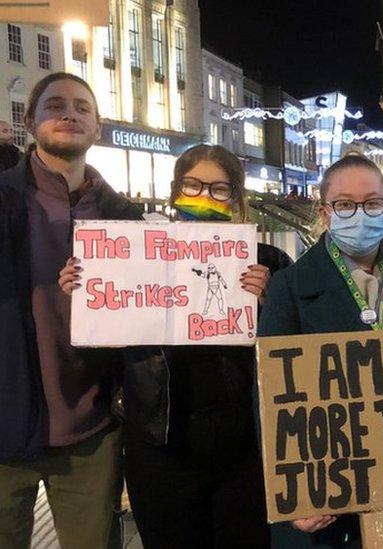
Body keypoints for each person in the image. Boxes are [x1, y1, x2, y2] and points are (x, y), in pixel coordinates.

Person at [58, 144, 293, 547]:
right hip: (161, 445)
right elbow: (103, 354)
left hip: (245, 448)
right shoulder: (133, 253)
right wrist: (84, 296)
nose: (205, 196)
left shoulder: (268, 261)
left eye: (220, 189)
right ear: (174, 191)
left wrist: (269, 304)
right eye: (194, 185)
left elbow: (292, 352)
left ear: (236, 197)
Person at [258, 154, 383, 548]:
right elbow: (270, 397)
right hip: (327, 503)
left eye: (372, 203)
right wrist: (292, 492)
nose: (360, 214)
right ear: (325, 213)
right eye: (345, 204)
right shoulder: (289, 288)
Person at [0, 72, 143, 548]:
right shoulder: (2, 201)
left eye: (82, 108)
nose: (70, 114)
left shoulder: (124, 216)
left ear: (97, 128)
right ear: (28, 120)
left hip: (91, 432)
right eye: (55, 105)